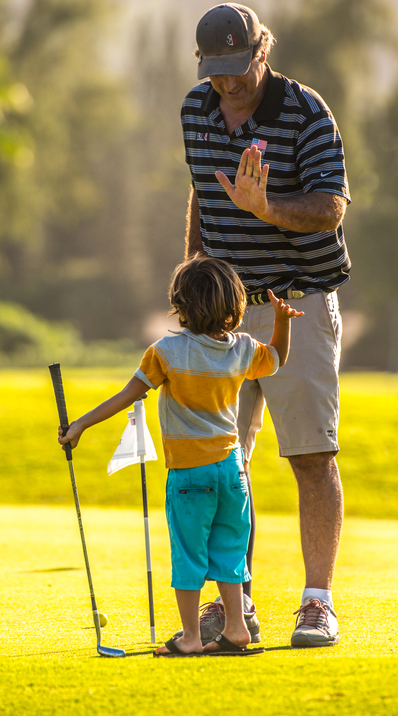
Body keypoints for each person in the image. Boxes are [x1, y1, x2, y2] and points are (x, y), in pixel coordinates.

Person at [182, 2, 349, 648]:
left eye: (240, 66)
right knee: (226, 460)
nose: (230, 84)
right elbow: (201, 186)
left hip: (295, 304)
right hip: (221, 312)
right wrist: (193, 269)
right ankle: (234, 601)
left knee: (311, 454)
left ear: (263, 50)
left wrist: (268, 208)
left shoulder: (306, 112)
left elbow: (331, 208)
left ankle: (316, 603)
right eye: (217, 71)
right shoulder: (196, 109)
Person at [58, 256, 302, 656]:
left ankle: (190, 637)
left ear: (181, 304)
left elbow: (127, 397)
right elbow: (277, 359)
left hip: (191, 475)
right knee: (229, 551)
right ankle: (237, 628)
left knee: (189, 554)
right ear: (235, 305)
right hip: (233, 471)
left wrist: (81, 424)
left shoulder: (166, 352)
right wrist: (283, 322)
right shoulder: (242, 349)